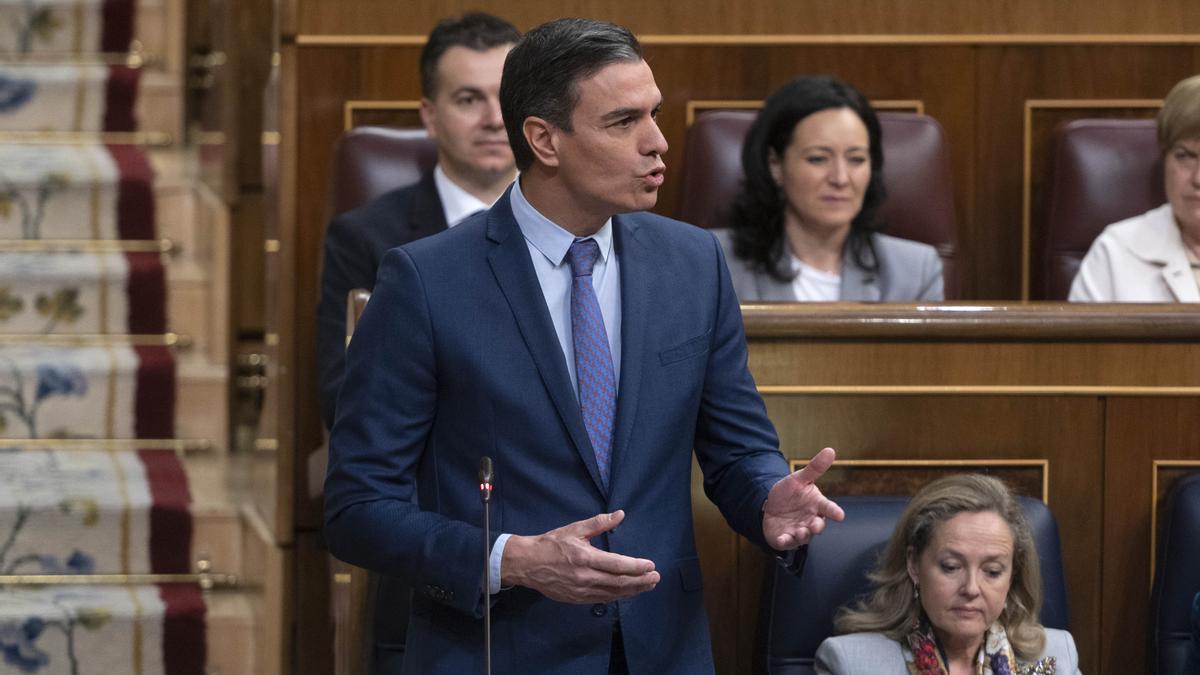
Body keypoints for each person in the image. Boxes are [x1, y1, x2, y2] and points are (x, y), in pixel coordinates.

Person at [324, 17, 845, 674]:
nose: (658, 143)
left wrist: (769, 494)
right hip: (498, 650)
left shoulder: (692, 263)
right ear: (544, 139)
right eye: (624, 121)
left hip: (662, 649)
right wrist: (511, 558)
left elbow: (737, 447)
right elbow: (357, 507)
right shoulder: (427, 282)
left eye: (655, 115)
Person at [316, 12, 520, 428]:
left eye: (507, 97)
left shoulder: (578, 224)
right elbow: (342, 396)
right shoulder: (365, 238)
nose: (495, 119)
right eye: (468, 100)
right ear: (429, 115)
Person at [815, 474, 1081, 674]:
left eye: (992, 571)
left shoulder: (1057, 657)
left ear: (1012, 576)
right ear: (914, 565)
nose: (971, 588)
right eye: (951, 567)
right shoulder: (851, 663)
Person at [713, 76, 943, 302]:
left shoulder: (916, 271)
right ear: (775, 165)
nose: (841, 178)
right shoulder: (713, 263)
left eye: (856, 159)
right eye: (818, 159)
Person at [1070, 74, 1200, 302]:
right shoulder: (1114, 253)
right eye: (1185, 156)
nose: (1198, 178)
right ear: (1164, 159)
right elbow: (1079, 338)